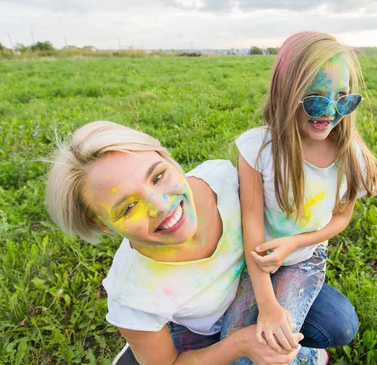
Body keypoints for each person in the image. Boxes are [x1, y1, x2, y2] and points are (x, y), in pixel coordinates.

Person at [44, 121, 303, 365]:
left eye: (157, 177)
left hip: (257, 290)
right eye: (128, 207)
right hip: (200, 332)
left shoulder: (223, 179)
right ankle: (144, 346)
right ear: (100, 225)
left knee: (337, 322)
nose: (161, 206)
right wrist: (239, 345)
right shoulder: (133, 295)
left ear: (166, 157)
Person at [223, 31, 377, 364]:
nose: (330, 112)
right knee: (234, 344)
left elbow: (341, 217)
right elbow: (251, 220)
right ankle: (310, 356)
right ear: (287, 94)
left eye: (343, 97)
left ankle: (306, 356)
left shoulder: (353, 158)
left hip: (304, 262)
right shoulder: (258, 149)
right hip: (254, 259)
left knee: (277, 347)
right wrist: (267, 305)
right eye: (315, 99)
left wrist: (295, 243)